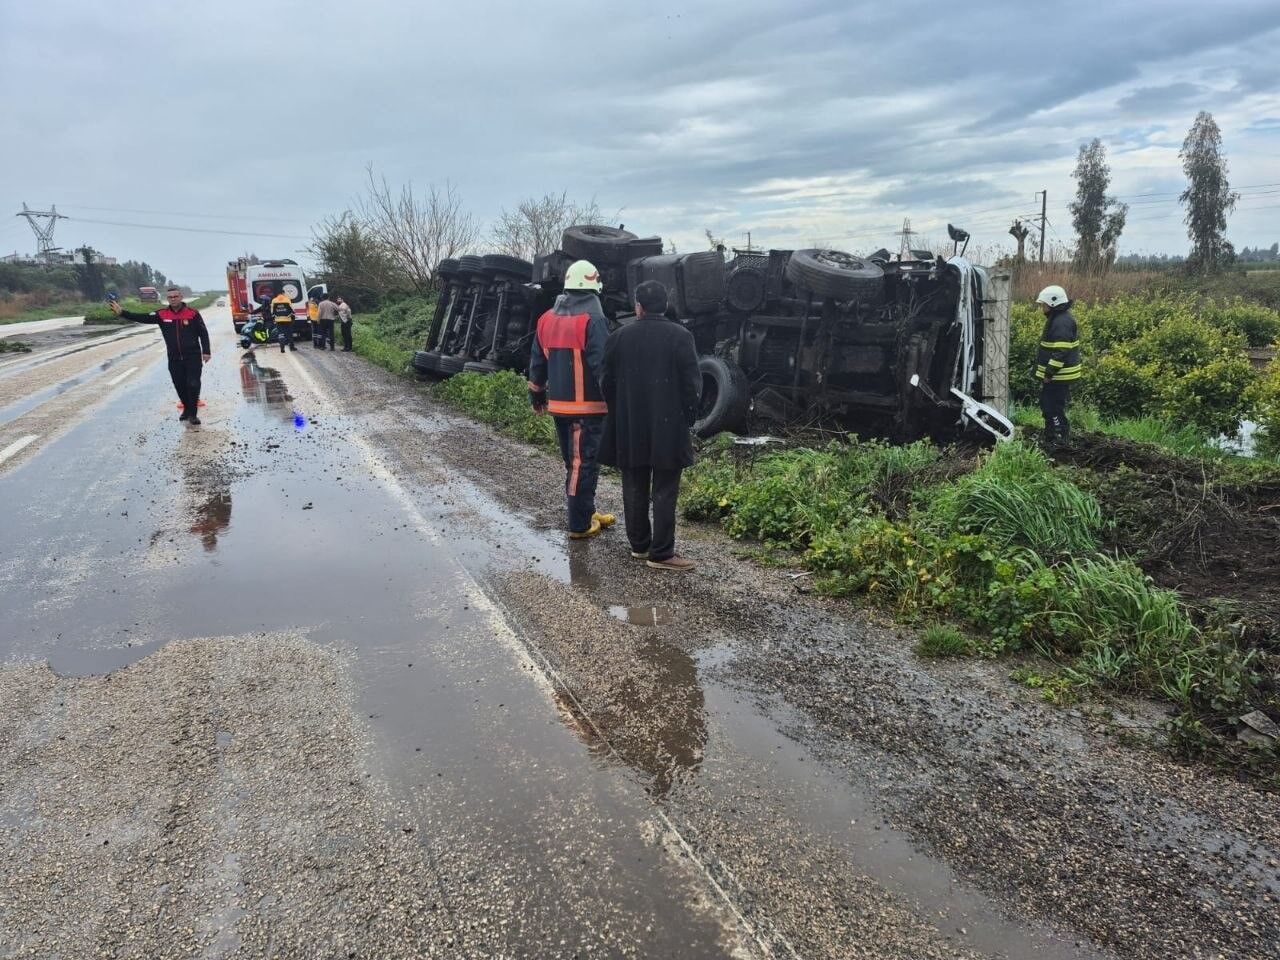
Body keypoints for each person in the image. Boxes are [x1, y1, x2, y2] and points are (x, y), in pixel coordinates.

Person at [600, 280, 701, 571]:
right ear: (665, 305)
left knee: (633, 483)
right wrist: (688, 416)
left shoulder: (619, 337)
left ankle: (639, 546)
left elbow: (605, 381)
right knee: (665, 488)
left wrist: (618, 409)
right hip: (669, 424)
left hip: (630, 422)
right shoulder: (681, 336)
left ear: (638, 307)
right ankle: (663, 553)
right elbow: (692, 385)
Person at [528, 259, 616, 539]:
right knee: (582, 463)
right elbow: (604, 367)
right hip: (587, 409)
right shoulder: (593, 321)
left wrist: (537, 395)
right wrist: (616, 402)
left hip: (559, 407)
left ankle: (587, 510)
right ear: (594, 287)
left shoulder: (546, 319)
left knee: (576, 462)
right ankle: (579, 523)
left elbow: (537, 363)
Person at [111, 286, 211, 425]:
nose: (173, 299)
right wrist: (122, 312)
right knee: (179, 385)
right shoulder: (162, 314)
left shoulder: (192, 314)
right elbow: (143, 317)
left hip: (192, 357)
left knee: (193, 384)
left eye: (176, 296)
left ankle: (193, 414)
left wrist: (206, 351)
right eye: (170, 297)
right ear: (167, 298)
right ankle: (186, 409)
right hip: (174, 358)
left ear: (181, 297)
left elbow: (203, 333)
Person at [1034, 284, 1082, 449]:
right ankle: (1052, 434)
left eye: (1043, 304)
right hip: (1057, 376)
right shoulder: (1059, 319)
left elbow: (1060, 351)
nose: (1042, 308)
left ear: (1053, 303)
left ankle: (1059, 438)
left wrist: (1049, 373)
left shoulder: (1061, 322)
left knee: (1052, 407)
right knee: (1048, 405)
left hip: (1058, 377)